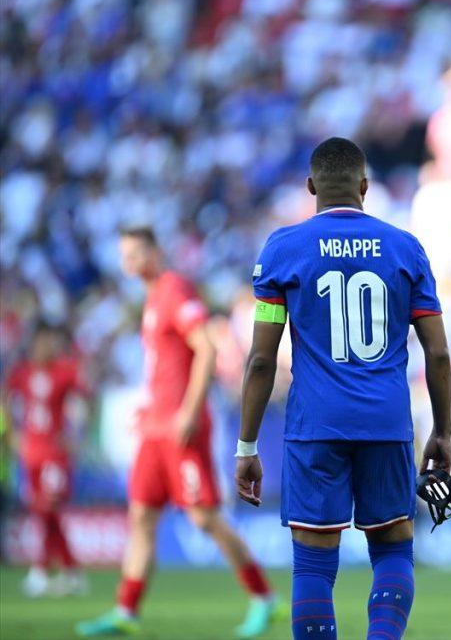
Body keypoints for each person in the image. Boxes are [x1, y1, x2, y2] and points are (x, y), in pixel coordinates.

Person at [234, 137, 451, 640]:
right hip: (387, 422)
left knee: (313, 566)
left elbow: (262, 359)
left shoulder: (283, 249)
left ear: (311, 186)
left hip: (316, 425)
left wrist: (246, 445)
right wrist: (442, 430)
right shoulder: (405, 247)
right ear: (365, 187)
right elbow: (437, 353)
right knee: (393, 549)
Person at [76, 228, 277, 638]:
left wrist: (187, 411)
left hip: (181, 428)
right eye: (124, 255)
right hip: (155, 427)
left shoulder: (174, 290)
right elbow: (165, 366)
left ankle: (263, 597)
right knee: (141, 516)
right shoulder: (151, 298)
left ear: (156, 251)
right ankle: (126, 611)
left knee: (204, 518)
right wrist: (150, 407)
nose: (129, 262)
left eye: (136, 253)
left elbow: (206, 347)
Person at [3, 324, 89, 597]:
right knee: (45, 512)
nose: (45, 348)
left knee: (47, 508)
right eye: (41, 343)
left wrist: (77, 435)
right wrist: (12, 434)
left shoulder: (65, 371)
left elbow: (86, 399)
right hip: (31, 453)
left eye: (49, 343)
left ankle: (40, 571)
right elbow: (5, 399)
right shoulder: (22, 373)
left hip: (55, 453)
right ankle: (71, 571)